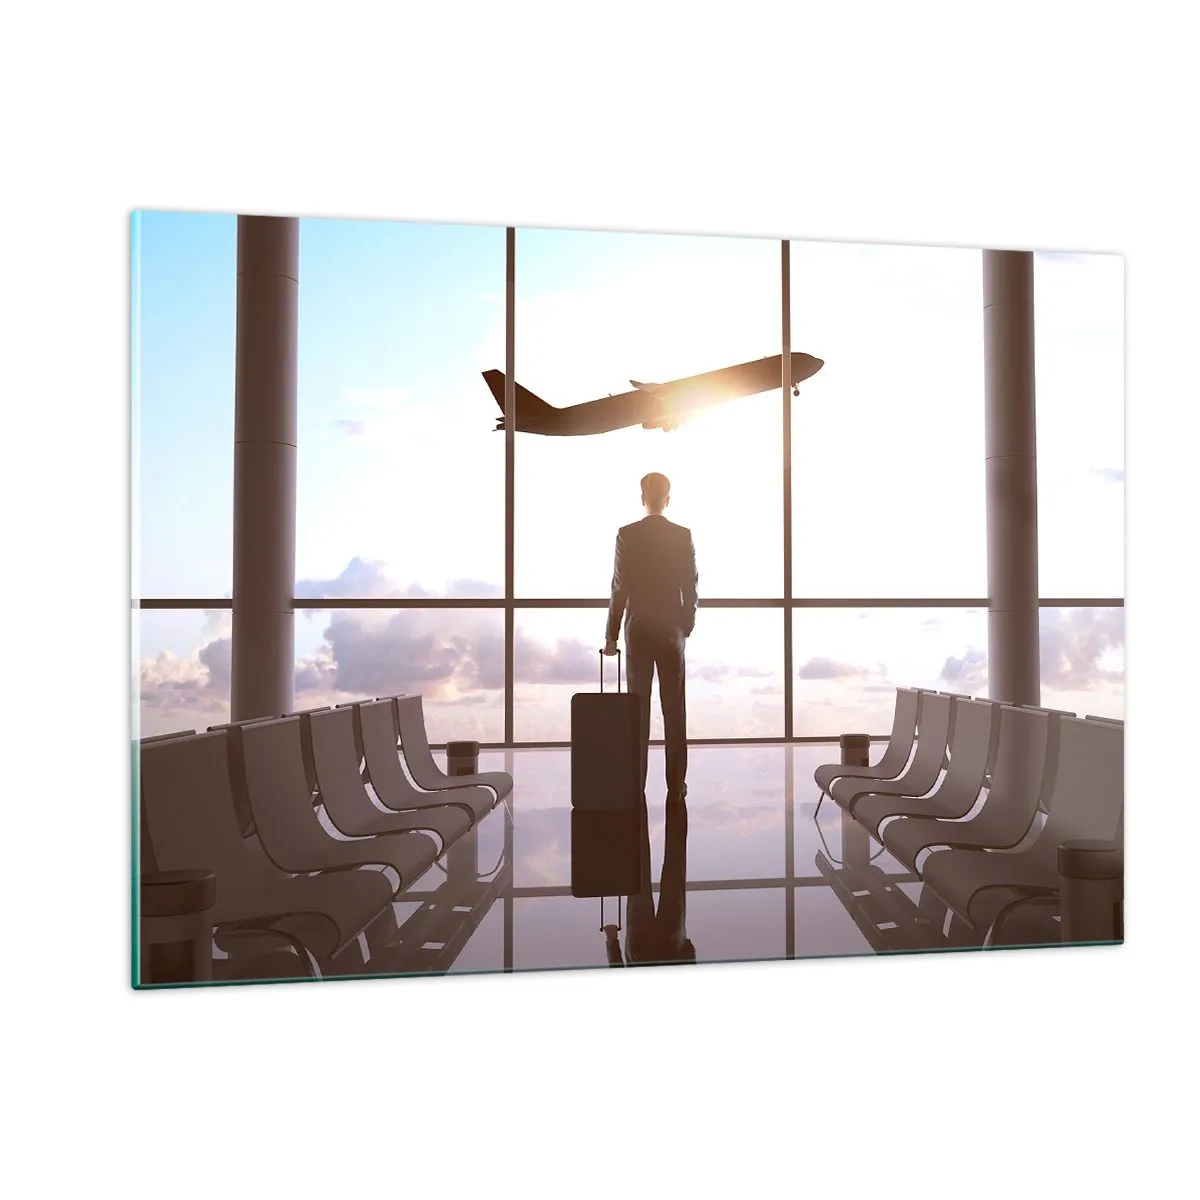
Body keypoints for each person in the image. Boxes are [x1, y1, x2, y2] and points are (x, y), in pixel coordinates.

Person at [603, 472, 698, 803]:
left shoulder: (627, 535)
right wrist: (685, 625)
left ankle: (635, 783)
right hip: (671, 631)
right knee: (674, 711)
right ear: (667, 498)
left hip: (639, 630)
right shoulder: (681, 535)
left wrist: (612, 635)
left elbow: (620, 586)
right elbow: (691, 584)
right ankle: (676, 785)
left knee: (637, 712)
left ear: (643, 497)